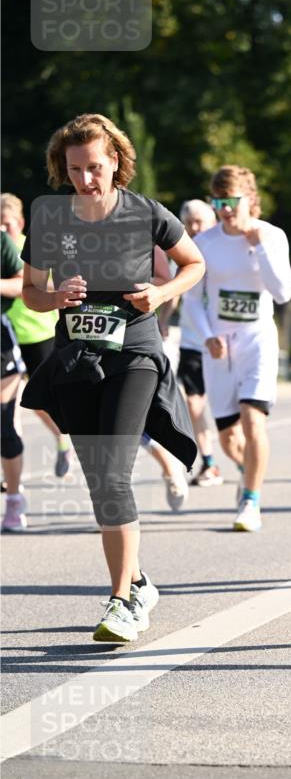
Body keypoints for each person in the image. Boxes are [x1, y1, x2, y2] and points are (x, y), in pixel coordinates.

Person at [20, 113, 204, 641]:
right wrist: (53, 298)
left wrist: (161, 294)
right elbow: (32, 290)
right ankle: (139, 580)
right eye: (74, 169)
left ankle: (121, 601)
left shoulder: (145, 213)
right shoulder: (53, 220)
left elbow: (194, 264)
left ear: (116, 162)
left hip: (134, 355)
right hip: (78, 358)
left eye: (94, 167)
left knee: (113, 470)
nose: (85, 179)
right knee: (100, 482)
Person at [183, 166, 291, 532]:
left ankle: (251, 501)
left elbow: (282, 293)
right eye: (219, 202)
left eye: (232, 201)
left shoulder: (272, 236)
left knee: (253, 419)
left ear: (249, 198)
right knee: (229, 438)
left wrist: (257, 245)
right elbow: (192, 297)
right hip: (219, 348)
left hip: (257, 340)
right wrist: (207, 334)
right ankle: (249, 474)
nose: (226, 210)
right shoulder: (205, 243)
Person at [1, 193, 72, 477]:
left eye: (8, 224)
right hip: (8, 336)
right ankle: (9, 469)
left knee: (42, 399)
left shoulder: (26, 248)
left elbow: (48, 287)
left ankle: (63, 437)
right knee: (9, 407)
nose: (4, 230)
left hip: (36, 334)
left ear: (20, 222)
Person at [162, 199, 222, 486]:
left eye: (200, 221)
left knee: (228, 413)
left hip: (226, 342)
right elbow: (173, 293)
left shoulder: (224, 251)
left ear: (213, 222)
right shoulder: (181, 256)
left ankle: (239, 454)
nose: (195, 227)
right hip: (193, 341)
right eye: (189, 222)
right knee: (194, 404)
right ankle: (209, 462)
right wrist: (163, 320)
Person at [1, 231, 27, 531]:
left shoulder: (1, 242)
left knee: (3, 424)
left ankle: (14, 499)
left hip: (0, 345)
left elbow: (24, 284)